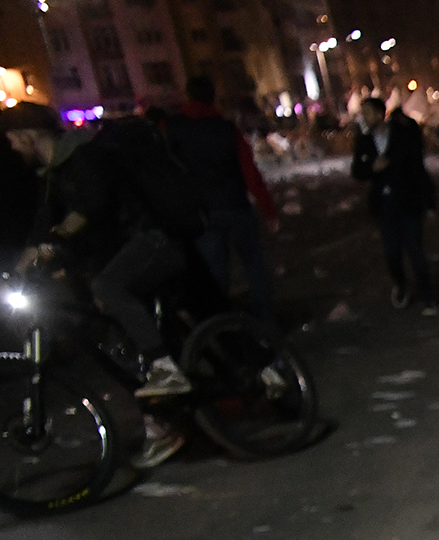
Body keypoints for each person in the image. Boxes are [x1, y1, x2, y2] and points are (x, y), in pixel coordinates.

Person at [1, 102, 198, 401]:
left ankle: (165, 367)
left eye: (13, 138)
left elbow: (91, 205)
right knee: (101, 327)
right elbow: (42, 225)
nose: (12, 146)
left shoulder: (84, 157)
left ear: (29, 134)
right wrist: (17, 270)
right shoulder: (51, 175)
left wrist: (55, 242)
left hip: (149, 238)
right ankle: (161, 412)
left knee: (106, 287)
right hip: (117, 250)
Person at [167, 74, 278, 325]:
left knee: (216, 273)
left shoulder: (174, 129)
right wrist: (268, 209)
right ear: (212, 96)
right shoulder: (226, 129)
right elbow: (250, 173)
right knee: (254, 267)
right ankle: (266, 323)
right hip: (235, 206)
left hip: (203, 213)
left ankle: (221, 327)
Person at [349, 95, 436, 312]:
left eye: (368, 113)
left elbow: (418, 169)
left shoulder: (403, 135)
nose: (364, 118)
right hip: (384, 206)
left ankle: (428, 296)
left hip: (409, 201)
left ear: (380, 114)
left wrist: (430, 201)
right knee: (391, 253)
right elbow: (356, 171)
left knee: (415, 250)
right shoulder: (364, 140)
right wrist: (372, 169)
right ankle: (401, 285)